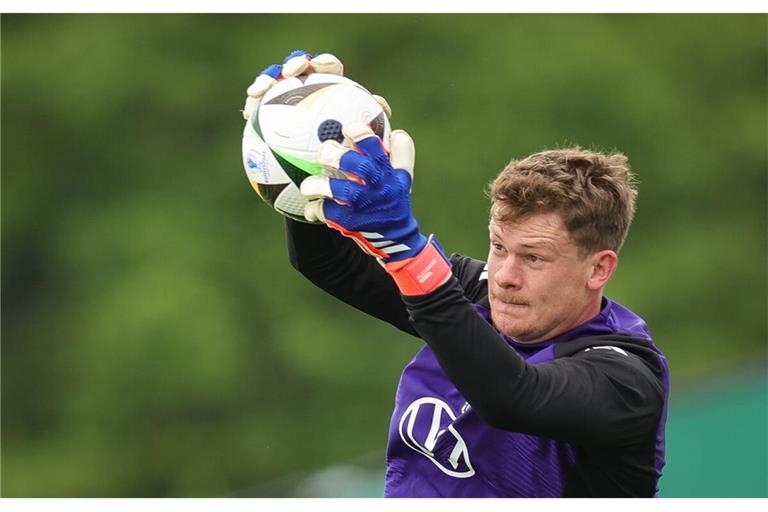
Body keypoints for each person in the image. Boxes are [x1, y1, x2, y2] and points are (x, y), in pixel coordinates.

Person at [242, 51, 670, 498]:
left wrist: (410, 257)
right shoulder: (480, 292)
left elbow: (512, 397)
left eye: (534, 258)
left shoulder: (626, 379)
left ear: (599, 268)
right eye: (499, 246)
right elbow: (328, 262)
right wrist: (297, 151)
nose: (505, 275)